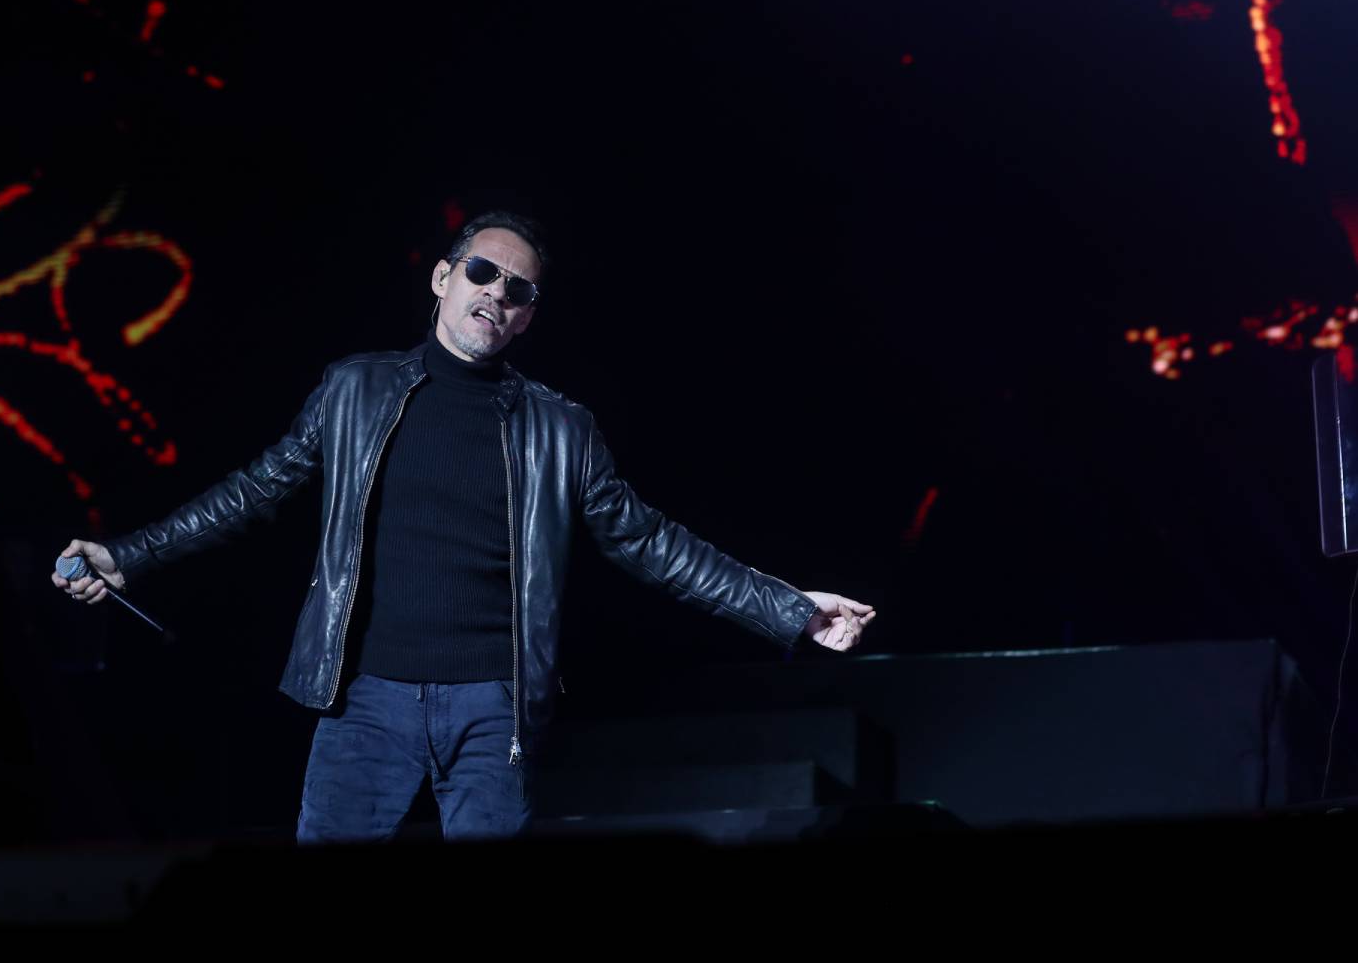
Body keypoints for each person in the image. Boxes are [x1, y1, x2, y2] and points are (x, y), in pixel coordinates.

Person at [53, 211, 875, 842]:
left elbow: (651, 543)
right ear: (444, 278)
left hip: (493, 709)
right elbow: (254, 490)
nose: (497, 294)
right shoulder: (354, 389)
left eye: (519, 290)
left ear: (527, 318)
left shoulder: (562, 429)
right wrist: (130, 556)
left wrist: (789, 607)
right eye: (483, 272)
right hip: (363, 702)